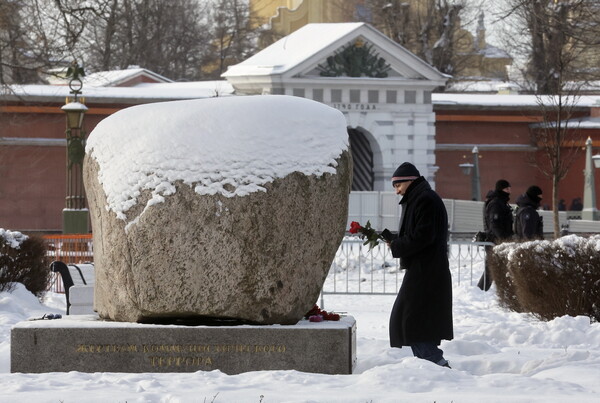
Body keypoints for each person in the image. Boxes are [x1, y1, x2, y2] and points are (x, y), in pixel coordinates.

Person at [387, 162, 453, 368]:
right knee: (418, 321)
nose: (397, 192)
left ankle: (436, 365)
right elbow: (419, 234)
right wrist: (395, 240)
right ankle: (433, 365)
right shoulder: (420, 198)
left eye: (398, 186)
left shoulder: (425, 200)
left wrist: (397, 244)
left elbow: (423, 237)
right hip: (425, 269)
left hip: (427, 271)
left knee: (413, 320)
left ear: (409, 182)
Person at [478, 179, 514, 291]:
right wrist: (503, 240)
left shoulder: (501, 202)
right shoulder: (496, 203)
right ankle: (481, 290)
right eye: (507, 189)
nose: (509, 191)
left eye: (509, 188)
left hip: (498, 241)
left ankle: (483, 291)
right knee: (491, 269)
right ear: (500, 189)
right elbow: (495, 225)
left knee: (494, 268)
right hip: (495, 241)